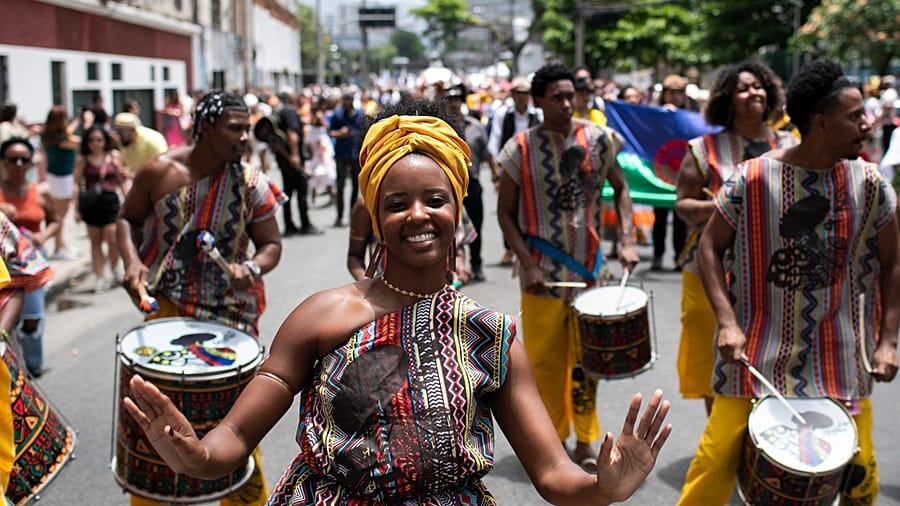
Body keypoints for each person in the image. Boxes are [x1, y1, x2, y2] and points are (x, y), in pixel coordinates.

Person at [123, 98, 672, 505]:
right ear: (375, 217)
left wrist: (604, 487)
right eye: (395, 203)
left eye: (435, 200)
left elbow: (553, 474)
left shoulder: (490, 337)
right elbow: (238, 433)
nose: (417, 215)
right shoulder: (322, 315)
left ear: (458, 212)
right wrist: (199, 456)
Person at [678, 60, 899, 505]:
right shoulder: (752, 178)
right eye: (855, 116)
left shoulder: (872, 185)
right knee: (715, 463)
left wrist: (888, 339)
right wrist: (726, 322)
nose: (868, 123)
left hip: (840, 360)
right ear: (820, 122)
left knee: (859, 476)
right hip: (756, 354)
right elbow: (707, 247)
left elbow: (894, 262)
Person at [116, 91, 285, 506]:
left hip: (228, 318)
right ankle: (153, 494)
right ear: (206, 127)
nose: (245, 137)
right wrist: (133, 262)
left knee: (234, 425)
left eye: (247, 128)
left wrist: (253, 268)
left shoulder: (250, 183)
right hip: (167, 312)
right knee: (160, 423)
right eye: (235, 128)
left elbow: (271, 245)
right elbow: (127, 219)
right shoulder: (159, 171)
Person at [497, 64, 641, 471]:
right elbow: (504, 214)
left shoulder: (600, 139)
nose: (566, 104)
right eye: (556, 97)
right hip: (540, 275)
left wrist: (627, 239)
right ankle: (552, 438)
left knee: (587, 363)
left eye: (570, 96)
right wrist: (528, 263)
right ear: (538, 101)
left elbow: (622, 187)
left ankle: (584, 440)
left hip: (591, 274)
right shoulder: (518, 149)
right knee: (542, 364)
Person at [673, 60, 798, 415]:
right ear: (728, 98)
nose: (753, 93)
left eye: (758, 86)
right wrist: (723, 207)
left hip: (773, 271)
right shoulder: (703, 148)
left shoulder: (790, 144)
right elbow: (682, 205)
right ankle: (721, 427)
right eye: (743, 88)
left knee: (768, 354)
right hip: (707, 269)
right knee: (713, 356)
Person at [0, 138, 58, 377]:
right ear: (3, 162)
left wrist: (43, 235)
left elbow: (55, 220)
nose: (19, 164)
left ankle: (33, 365)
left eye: (24, 159)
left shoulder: (41, 192)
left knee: (32, 318)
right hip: (3, 264)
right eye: (13, 159)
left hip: (30, 263)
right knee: (7, 321)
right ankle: (13, 366)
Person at [444, 84, 498, 282]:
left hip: (472, 184)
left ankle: (476, 263)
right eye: (450, 100)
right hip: (449, 185)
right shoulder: (439, 127)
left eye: (457, 100)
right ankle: (452, 266)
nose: (454, 104)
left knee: (475, 225)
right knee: (450, 227)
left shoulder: (475, 126)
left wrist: (495, 173)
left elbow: (487, 153)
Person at [487, 77, 541, 267]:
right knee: (507, 208)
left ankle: (528, 245)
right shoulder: (504, 114)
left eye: (525, 94)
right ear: (513, 95)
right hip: (509, 166)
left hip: (532, 167)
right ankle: (509, 249)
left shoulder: (537, 116)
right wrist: (496, 169)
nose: (521, 98)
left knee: (529, 207)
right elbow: (494, 141)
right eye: (518, 94)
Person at [72, 126, 128, 292]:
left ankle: (115, 267)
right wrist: (76, 208)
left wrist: (128, 200)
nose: (95, 144)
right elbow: (76, 183)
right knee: (95, 241)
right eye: (91, 140)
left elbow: (121, 180)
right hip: (91, 203)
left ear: (105, 141)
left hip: (110, 201)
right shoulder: (83, 159)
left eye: (99, 140)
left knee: (112, 237)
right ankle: (100, 277)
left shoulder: (113, 157)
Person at [651, 74, 697, 272]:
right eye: (671, 92)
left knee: (681, 219)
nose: (675, 96)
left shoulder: (693, 115)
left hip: (683, 174)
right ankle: (658, 255)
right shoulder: (655, 114)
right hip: (661, 173)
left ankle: (679, 257)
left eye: (678, 93)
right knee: (659, 217)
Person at [275, 92, 319, 236]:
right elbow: (292, 134)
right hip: (292, 159)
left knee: (288, 191)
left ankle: (290, 225)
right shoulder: (289, 112)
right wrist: (294, 155)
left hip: (284, 159)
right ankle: (304, 224)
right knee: (301, 190)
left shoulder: (281, 111)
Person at [41, 106, 80, 260]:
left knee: (59, 214)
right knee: (61, 216)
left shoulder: (47, 134)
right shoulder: (64, 139)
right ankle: (58, 248)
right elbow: (81, 142)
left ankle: (61, 244)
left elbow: (67, 131)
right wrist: (88, 126)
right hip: (63, 178)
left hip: (53, 175)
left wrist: (77, 121)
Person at [329, 91, 363, 227]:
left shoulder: (359, 114)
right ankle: (339, 215)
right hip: (341, 155)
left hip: (355, 154)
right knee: (341, 186)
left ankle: (352, 214)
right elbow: (330, 132)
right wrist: (340, 133)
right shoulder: (337, 115)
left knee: (356, 186)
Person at [114, 112, 168, 179]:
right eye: (118, 132)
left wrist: (134, 175)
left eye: (122, 133)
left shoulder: (153, 141)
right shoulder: (124, 142)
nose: (119, 137)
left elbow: (163, 169)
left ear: (133, 131)